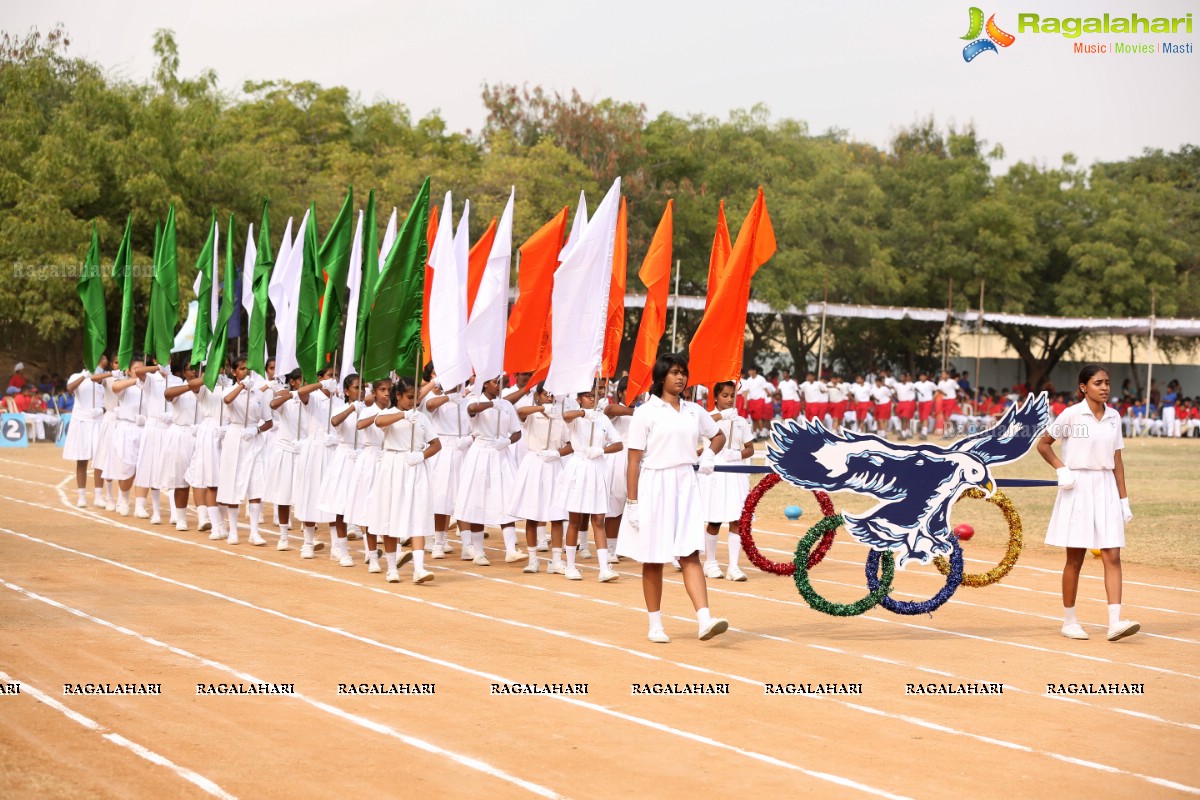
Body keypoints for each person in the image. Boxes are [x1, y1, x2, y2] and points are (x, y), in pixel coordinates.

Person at [618, 353, 729, 643]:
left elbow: (718, 435)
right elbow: (633, 460)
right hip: (655, 482)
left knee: (690, 552)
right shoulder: (645, 412)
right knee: (653, 557)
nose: (680, 377)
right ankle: (655, 624)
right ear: (661, 376)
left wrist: (709, 454)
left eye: (683, 372)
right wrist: (632, 503)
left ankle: (704, 619)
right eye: (674, 372)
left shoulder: (694, 410)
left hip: (685, 484)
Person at [1037, 364, 1139, 643]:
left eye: (1107, 382)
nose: (1105, 387)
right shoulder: (1071, 414)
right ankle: (1069, 621)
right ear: (1084, 387)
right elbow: (1043, 444)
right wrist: (1061, 468)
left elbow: (1117, 461)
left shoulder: (1114, 417)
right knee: (1075, 558)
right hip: (1078, 487)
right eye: (1098, 383)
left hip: (1106, 486)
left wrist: (1124, 500)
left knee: (1112, 555)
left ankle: (1115, 623)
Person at [373, 377, 441, 583]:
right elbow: (379, 422)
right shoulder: (388, 413)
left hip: (415, 466)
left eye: (416, 398)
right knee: (389, 514)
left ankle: (419, 568)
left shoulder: (421, 417)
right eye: (409, 397)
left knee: (417, 514)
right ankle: (392, 567)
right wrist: (402, 415)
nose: (414, 402)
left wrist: (421, 456)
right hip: (393, 465)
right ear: (398, 396)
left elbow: (436, 444)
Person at [555, 388, 623, 582]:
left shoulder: (602, 419)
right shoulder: (577, 418)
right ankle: (570, 566)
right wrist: (584, 413)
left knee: (599, 519)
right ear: (579, 399)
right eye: (588, 396)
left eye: (595, 396)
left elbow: (618, 443)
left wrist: (602, 449)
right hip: (579, 466)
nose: (592, 399)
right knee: (575, 519)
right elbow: (565, 416)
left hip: (597, 466)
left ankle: (604, 569)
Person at [454, 374, 522, 566]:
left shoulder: (507, 405)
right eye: (496, 382)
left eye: (502, 383)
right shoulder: (475, 400)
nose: (500, 386)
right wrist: (492, 404)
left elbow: (517, 431)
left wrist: (508, 440)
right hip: (480, 452)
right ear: (485, 384)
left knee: (506, 499)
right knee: (477, 501)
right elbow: (472, 409)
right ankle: (479, 552)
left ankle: (510, 550)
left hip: (500, 453)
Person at [508, 383, 569, 574]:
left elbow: (570, 444)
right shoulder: (532, 415)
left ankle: (556, 560)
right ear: (538, 396)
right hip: (534, 464)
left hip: (553, 465)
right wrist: (542, 408)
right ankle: (533, 559)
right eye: (545, 395)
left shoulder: (560, 417)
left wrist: (557, 453)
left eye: (552, 396)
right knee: (532, 515)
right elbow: (520, 411)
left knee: (557, 515)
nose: (550, 399)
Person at [700, 381, 755, 581]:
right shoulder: (708, 417)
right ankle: (711, 562)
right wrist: (721, 415)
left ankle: (733, 566)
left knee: (736, 518)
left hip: (735, 472)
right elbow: (701, 425)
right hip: (715, 471)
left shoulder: (740, 421)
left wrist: (738, 454)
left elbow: (750, 447)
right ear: (715, 397)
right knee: (714, 520)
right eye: (724, 395)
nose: (729, 399)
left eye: (732, 395)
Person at [216, 359, 273, 547]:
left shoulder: (259, 393)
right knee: (234, 482)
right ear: (234, 372)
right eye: (241, 369)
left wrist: (256, 430)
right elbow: (227, 400)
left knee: (255, 484)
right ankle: (233, 531)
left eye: (248, 369)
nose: (245, 372)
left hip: (253, 438)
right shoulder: (229, 390)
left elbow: (269, 421)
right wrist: (241, 387)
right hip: (235, 437)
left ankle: (254, 532)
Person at [62, 361, 105, 506]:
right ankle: (81, 496)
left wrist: (102, 410)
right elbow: (69, 388)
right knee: (81, 460)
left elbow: (111, 399)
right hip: (81, 421)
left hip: (98, 420)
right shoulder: (76, 376)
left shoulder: (103, 377)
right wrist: (84, 376)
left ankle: (99, 496)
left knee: (99, 460)